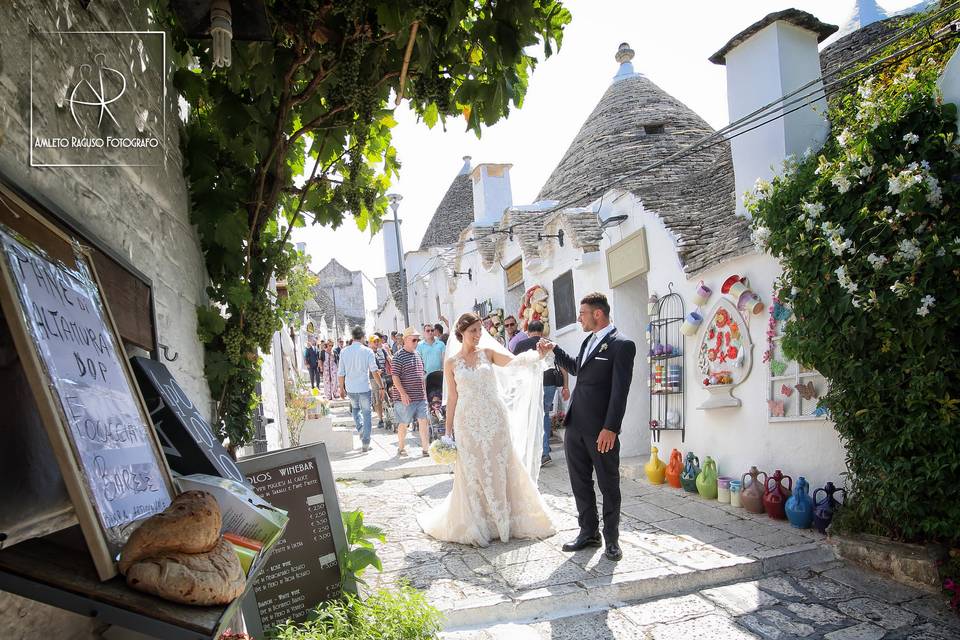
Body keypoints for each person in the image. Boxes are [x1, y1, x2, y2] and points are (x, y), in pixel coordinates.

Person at [418, 312, 556, 547]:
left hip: (495, 419)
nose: (478, 335)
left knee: (500, 465)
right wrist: (448, 432)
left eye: (480, 330)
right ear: (461, 333)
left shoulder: (488, 353)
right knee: (473, 470)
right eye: (473, 331)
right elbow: (451, 398)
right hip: (467, 422)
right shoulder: (451, 362)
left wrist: (538, 355)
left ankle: (505, 520)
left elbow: (515, 362)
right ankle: (479, 523)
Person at [539, 292, 636, 562]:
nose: (578, 317)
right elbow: (578, 369)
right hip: (576, 426)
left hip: (601, 430)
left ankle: (612, 540)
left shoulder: (622, 345)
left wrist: (611, 428)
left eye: (582, 313)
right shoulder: (588, 341)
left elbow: (620, 391)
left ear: (597, 314)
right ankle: (588, 532)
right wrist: (554, 350)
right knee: (580, 483)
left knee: (608, 485)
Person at [513, 321, 570, 467]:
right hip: (550, 382)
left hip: (530, 385)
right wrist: (565, 386)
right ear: (542, 331)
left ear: (528, 331)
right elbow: (563, 366)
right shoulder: (550, 343)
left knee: (530, 416)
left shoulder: (521, 345)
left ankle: (535, 452)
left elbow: (514, 367)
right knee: (544, 414)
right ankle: (544, 452)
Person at [337, 326, 384, 452]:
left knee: (355, 410)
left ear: (352, 337)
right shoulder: (367, 351)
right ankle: (366, 443)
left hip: (351, 388)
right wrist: (381, 386)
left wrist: (341, 388)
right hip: (364, 387)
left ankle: (361, 428)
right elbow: (374, 371)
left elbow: (341, 372)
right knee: (367, 413)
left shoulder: (344, 352)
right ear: (363, 337)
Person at [391, 328, 431, 457]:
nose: (416, 342)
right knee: (404, 423)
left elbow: (422, 373)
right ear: (405, 340)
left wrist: (425, 392)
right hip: (405, 397)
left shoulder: (418, 354)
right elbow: (395, 377)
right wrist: (402, 393)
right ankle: (401, 447)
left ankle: (426, 449)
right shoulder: (398, 356)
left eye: (418, 340)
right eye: (414, 340)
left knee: (424, 421)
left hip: (420, 396)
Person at [369, 334, 389, 429]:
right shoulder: (369, 353)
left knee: (388, 397)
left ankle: (390, 416)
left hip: (385, 376)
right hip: (374, 378)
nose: (376, 343)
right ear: (370, 343)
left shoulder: (382, 351)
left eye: (378, 341)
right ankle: (380, 419)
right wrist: (377, 372)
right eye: (374, 341)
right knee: (378, 399)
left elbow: (389, 359)